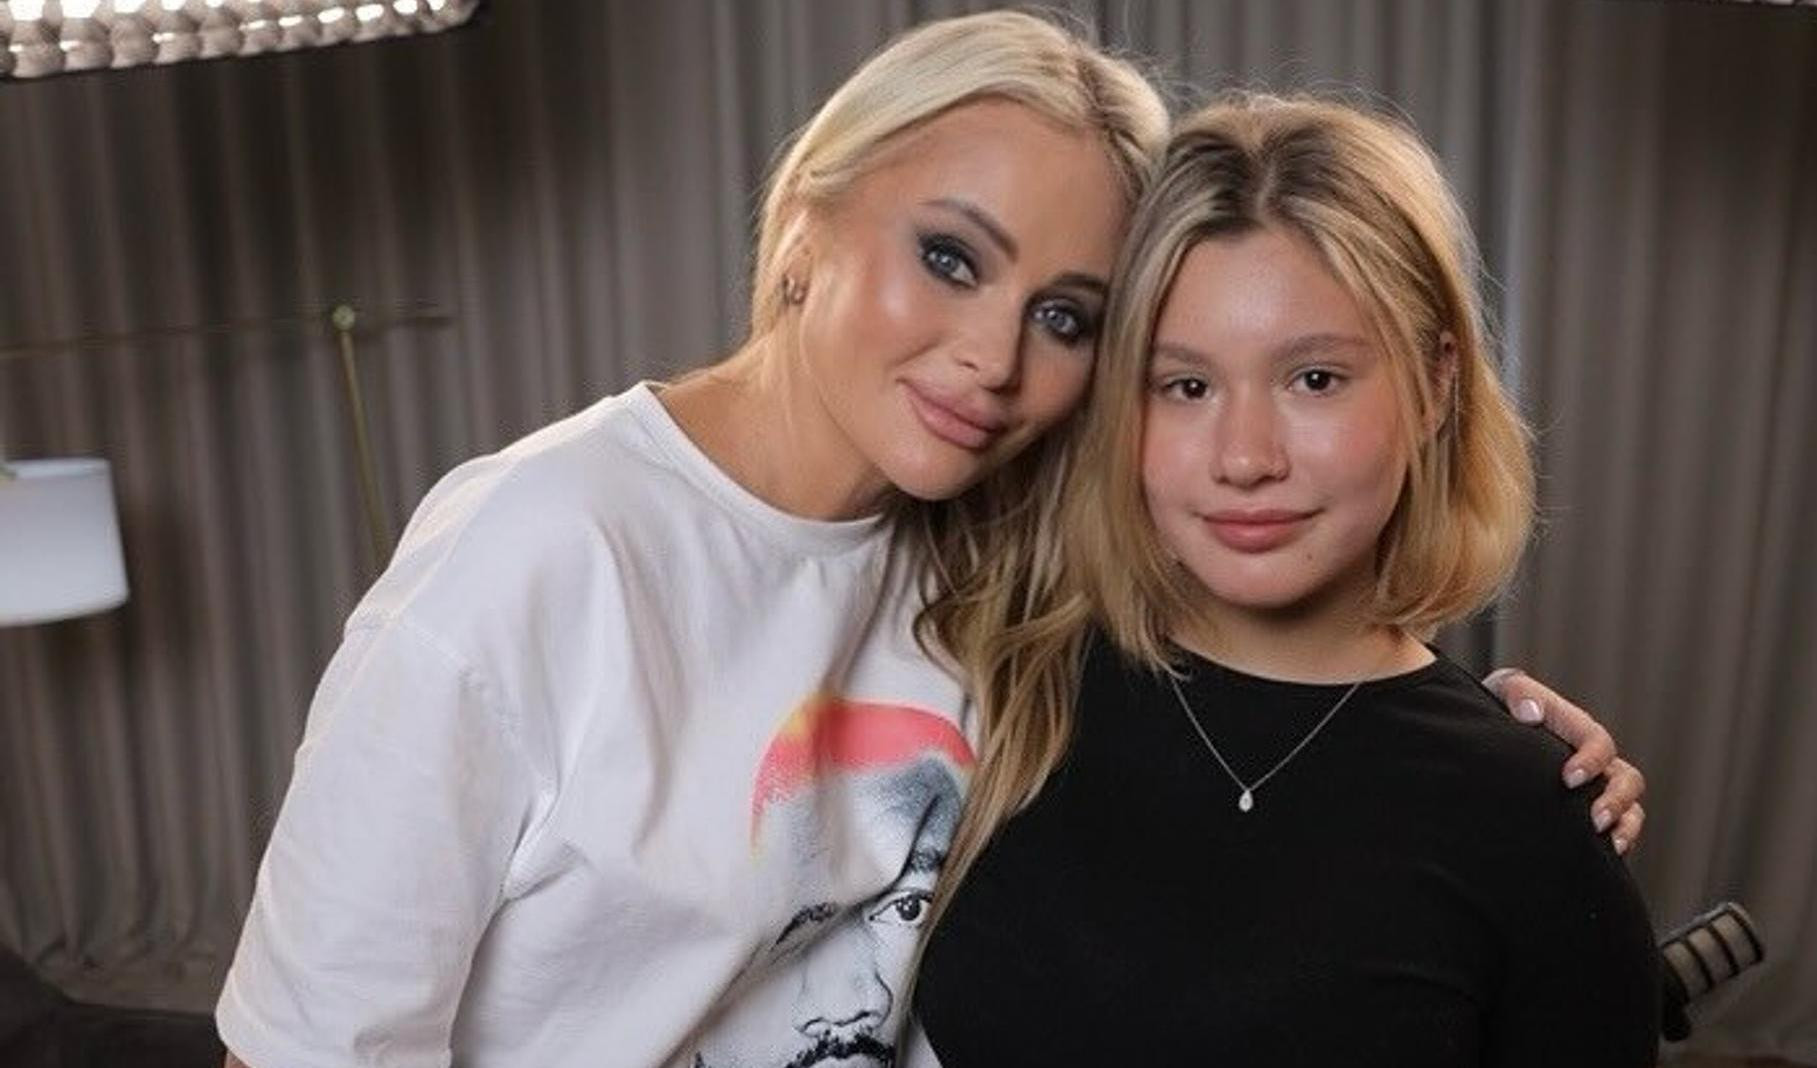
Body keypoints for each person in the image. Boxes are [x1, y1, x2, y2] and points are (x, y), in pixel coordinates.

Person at [215, 14, 1644, 1068]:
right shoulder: (534, 553)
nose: (991, 356)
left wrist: (1495, 754)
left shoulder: (984, 563)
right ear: (805, 220)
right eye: (949, 257)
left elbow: (1283, 695)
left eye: (1065, 316)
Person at [913, 94, 1661, 1066]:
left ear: (1436, 385)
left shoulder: (1534, 814)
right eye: (1185, 386)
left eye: (1314, 379)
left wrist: (1516, 782)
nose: (1245, 458)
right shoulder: (1003, 684)